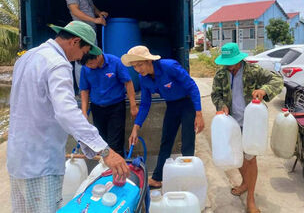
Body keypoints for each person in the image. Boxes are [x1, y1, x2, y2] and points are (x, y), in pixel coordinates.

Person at [7, 21, 129, 213]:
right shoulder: (58, 64)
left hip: (17, 158)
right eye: (84, 51)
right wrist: (106, 151)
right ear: (75, 41)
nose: (81, 57)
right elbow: (66, 112)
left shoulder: (27, 57)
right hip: (42, 162)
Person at [211, 43, 283, 213]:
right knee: (238, 157)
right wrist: (221, 105)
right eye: (226, 63)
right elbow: (215, 94)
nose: (229, 66)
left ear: (239, 59)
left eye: (232, 62)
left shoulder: (254, 71)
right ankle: (245, 183)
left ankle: (251, 199)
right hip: (231, 123)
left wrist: (263, 90)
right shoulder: (221, 74)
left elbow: (277, 79)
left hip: (251, 123)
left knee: (250, 160)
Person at [121, 46, 205, 188]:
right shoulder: (143, 78)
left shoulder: (169, 66)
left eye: (140, 64)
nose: (138, 69)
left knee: (187, 142)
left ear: (149, 61)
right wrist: (136, 127)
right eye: (134, 66)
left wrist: (199, 113)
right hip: (171, 105)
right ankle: (157, 178)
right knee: (166, 140)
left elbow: (192, 86)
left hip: (187, 103)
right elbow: (145, 103)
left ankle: (187, 178)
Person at [79, 53, 138, 157]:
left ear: (98, 56)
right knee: (101, 143)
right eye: (86, 64)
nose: (89, 66)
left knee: (115, 143)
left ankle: (117, 171)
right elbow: (84, 90)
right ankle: (105, 169)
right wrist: (84, 112)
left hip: (116, 107)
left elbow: (128, 82)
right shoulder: (85, 68)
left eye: (91, 63)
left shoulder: (115, 62)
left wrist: (133, 105)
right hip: (97, 108)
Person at [65, 0, 109, 89]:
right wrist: (95, 20)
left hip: (90, 32)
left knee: (93, 59)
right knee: (81, 60)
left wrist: (99, 13)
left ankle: (92, 88)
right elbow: (75, 10)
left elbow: (91, 7)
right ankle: (82, 90)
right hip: (81, 32)